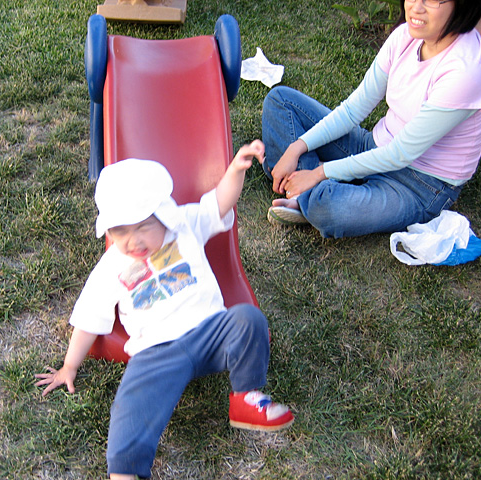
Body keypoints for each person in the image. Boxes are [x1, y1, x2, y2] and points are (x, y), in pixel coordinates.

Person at [35, 141, 294, 480]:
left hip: (210, 333)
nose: (133, 241)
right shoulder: (112, 264)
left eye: (143, 226)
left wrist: (235, 170)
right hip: (156, 351)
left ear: (163, 213)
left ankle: (246, 396)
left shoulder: (184, 225)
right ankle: (125, 472)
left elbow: (219, 203)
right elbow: (89, 315)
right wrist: (70, 366)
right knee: (130, 406)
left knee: (248, 319)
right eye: (120, 231)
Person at [261, 0, 481, 238]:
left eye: (433, 0)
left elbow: (400, 154)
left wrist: (319, 173)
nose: (417, 7)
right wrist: (296, 147)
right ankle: (304, 189)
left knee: (331, 208)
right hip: (374, 145)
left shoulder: (466, 72)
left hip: (418, 185)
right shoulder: (405, 36)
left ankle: (304, 189)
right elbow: (353, 110)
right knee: (281, 102)